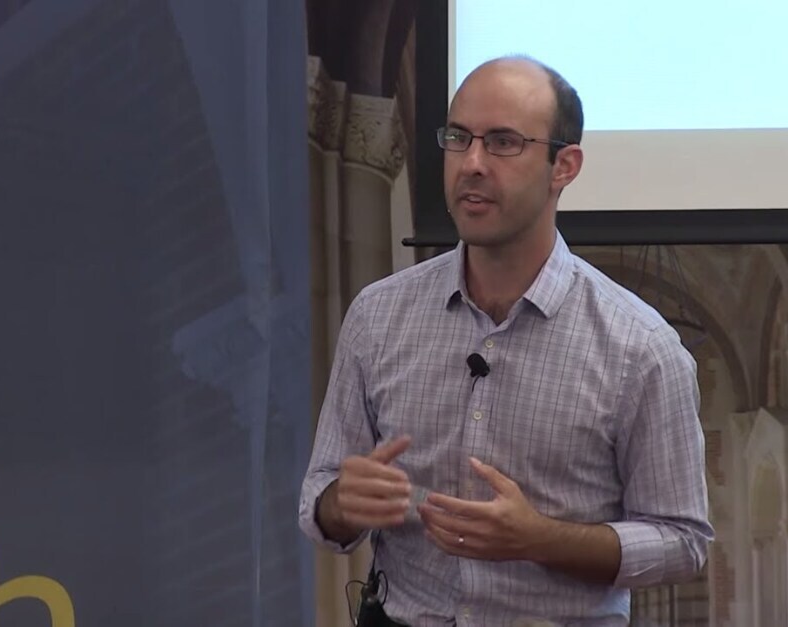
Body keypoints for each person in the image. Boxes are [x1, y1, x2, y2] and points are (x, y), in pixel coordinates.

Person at [298, 55, 713, 626]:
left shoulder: (640, 348)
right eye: (458, 138)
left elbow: (682, 541)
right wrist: (342, 505)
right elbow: (320, 494)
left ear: (564, 166)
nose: (472, 163)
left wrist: (540, 538)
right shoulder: (378, 316)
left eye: (502, 143)